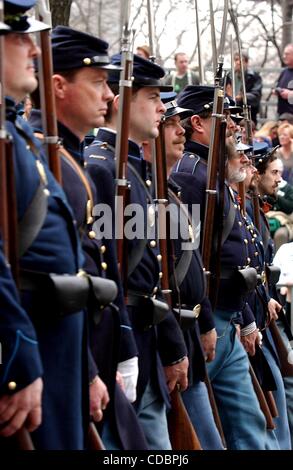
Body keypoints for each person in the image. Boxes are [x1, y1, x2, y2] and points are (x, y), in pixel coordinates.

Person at [29, 25, 147, 450]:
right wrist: (90, 366)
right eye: (97, 82)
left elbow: (100, 264)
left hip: (89, 347)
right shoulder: (41, 157)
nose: (109, 95)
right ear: (58, 86)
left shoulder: (69, 158)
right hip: (57, 352)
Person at [84, 54, 189, 450]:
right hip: (121, 337)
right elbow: (113, 274)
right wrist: (126, 348)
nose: (163, 107)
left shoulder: (130, 168)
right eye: (151, 96)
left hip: (144, 333)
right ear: (122, 101)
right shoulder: (104, 169)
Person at [1, 0, 89, 449]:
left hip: (52, 346)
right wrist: (17, 354)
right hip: (27, 350)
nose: (33, 50)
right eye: (18, 36)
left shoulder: (12, 130)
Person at [171, 85, 272, 449]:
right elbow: (190, 261)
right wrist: (204, 321)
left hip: (228, 316)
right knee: (203, 435)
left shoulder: (211, 171)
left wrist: (244, 315)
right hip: (209, 320)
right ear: (198, 122)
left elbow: (232, 254)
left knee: (252, 425)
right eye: (225, 118)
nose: (233, 126)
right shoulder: (190, 175)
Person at [162, 95, 224, 449]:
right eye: (171, 123)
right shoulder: (181, 178)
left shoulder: (168, 184)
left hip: (188, 327)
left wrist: (204, 320)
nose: (179, 130)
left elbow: (191, 263)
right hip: (163, 334)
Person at [233, 52, 262, 125]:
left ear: (246, 62)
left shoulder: (254, 77)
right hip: (232, 112)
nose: (238, 62)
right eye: (236, 60)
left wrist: (243, 97)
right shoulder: (230, 76)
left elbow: (256, 96)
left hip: (248, 113)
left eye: (241, 60)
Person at [274, 44, 293, 116]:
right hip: (282, 115)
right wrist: (277, 90)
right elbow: (277, 85)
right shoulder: (284, 72)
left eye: (287, 54)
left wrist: (290, 94)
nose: (284, 56)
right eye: (284, 54)